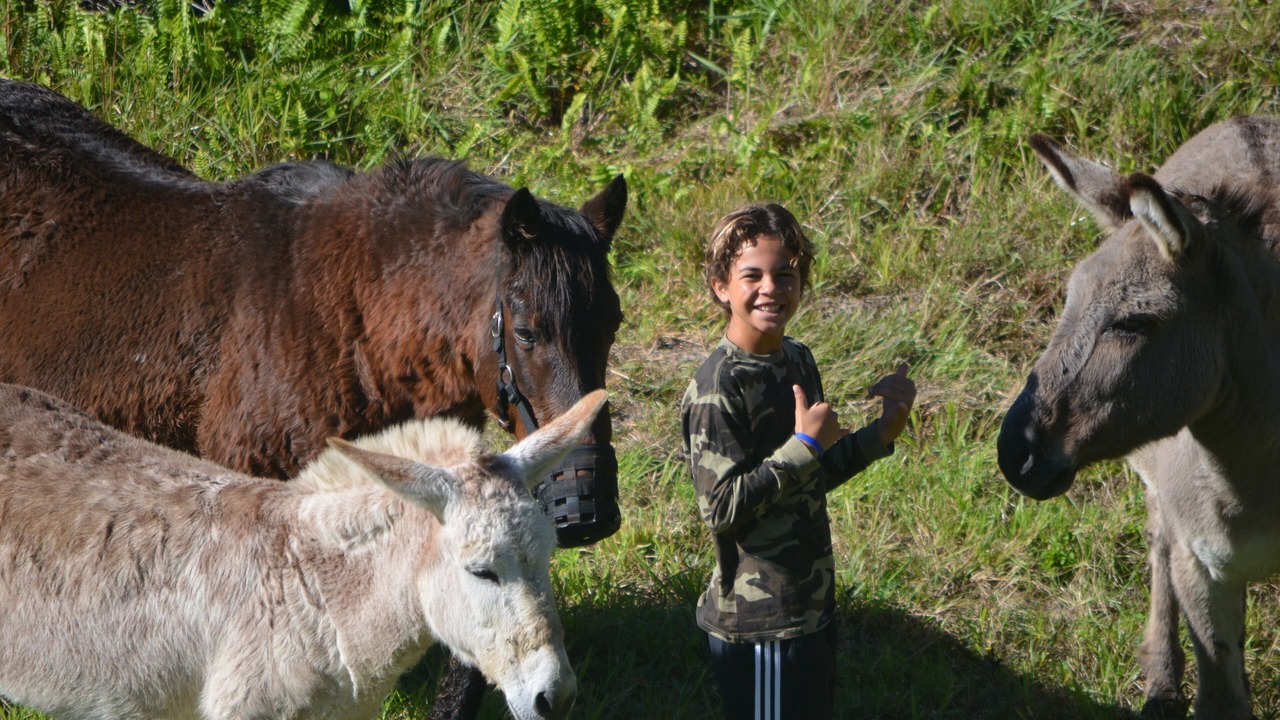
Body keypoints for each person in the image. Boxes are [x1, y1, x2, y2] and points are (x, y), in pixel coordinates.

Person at [681, 203, 916, 720]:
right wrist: (802, 447)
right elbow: (720, 508)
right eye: (752, 275)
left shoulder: (798, 360)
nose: (771, 287)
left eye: (785, 274)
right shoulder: (716, 387)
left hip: (810, 609)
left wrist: (882, 433)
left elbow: (813, 477)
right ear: (721, 287)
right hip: (760, 624)